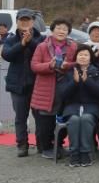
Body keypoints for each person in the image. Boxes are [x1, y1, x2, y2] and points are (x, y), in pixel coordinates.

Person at [31, 18, 77, 159]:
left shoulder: (73, 46)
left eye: (65, 29)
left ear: (68, 32)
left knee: (64, 117)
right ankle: (46, 148)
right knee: (46, 120)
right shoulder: (42, 46)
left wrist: (67, 65)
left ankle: (59, 145)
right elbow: (34, 66)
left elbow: (78, 61)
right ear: (52, 30)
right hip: (46, 88)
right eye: (58, 28)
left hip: (65, 87)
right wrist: (49, 66)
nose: (61, 31)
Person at [2, 8, 44, 157]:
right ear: (17, 22)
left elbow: (42, 52)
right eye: (22, 20)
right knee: (20, 117)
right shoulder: (11, 39)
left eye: (28, 20)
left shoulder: (41, 38)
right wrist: (21, 43)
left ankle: (42, 144)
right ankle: (22, 145)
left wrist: (29, 41)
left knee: (40, 117)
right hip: (17, 84)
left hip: (37, 85)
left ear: (33, 21)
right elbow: (6, 55)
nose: (25, 22)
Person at [57, 44, 99, 167]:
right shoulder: (69, 72)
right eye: (80, 55)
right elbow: (63, 94)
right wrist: (74, 82)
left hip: (92, 107)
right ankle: (74, 153)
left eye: (86, 55)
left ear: (90, 58)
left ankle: (85, 153)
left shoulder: (97, 72)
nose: (83, 57)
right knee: (74, 120)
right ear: (76, 57)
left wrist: (87, 81)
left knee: (86, 119)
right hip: (72, 107)